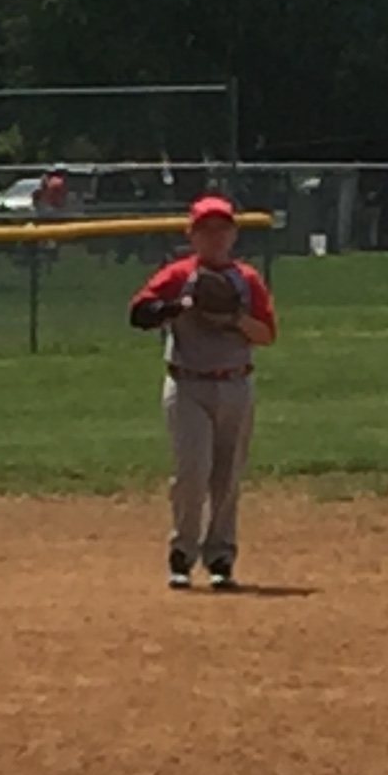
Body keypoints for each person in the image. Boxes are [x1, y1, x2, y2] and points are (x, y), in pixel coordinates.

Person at [128, 195, 277, 590]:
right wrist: (176, 307)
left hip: (235, 383)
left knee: (227, 477)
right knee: (192, 472)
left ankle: (221, 558)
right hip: (188, 383)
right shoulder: (178, 274)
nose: (214, 237)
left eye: (222, 229)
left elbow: (266, 335)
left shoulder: (246, 279)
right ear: (191, 235)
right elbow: (139, 314)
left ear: (233, 234)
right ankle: (182, 553)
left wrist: (233, 316)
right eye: (205, 229)